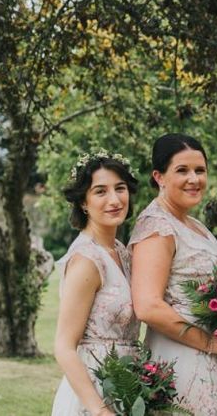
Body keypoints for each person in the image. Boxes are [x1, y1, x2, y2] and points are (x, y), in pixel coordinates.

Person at [130, 133, 217, 416]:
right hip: (182, 360)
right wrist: (210, 343)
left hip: (214, 362)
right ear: (159, 176)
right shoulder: (157, 226)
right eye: (182, 170)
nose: (194, 179)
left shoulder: (193, 224)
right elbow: (148, 306)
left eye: (200, 171)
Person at [52, 150, 140, 416]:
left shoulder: (122, 252)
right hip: (94, 392)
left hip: (128, 386)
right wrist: (99, 410)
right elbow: (64, 346)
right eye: (100, 191)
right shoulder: (86, 261)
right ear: (84, 202)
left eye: (120, 188)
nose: (114, 200)